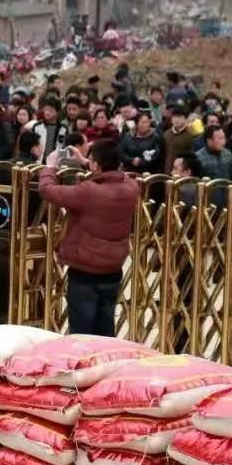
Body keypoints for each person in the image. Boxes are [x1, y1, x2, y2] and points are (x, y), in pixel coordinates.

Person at [38, 139, 139, 336]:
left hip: (85, 271)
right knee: (105, 327)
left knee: (82, 332)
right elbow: (118, 176)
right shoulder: (131, 188)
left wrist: (50, 167)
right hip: (113, 269)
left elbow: (48, 191)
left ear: (96, 165)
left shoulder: (89, 191)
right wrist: (85, 162)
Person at [34, 96, 68, 164]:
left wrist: (61, 163)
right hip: (38, 162)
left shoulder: (63, 129)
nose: (47, 112)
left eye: (51, 110)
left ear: (57, 112)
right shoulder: (37, 126)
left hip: (55, 164)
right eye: (46, 109)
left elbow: (64, 148)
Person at [163, 105, 196, 173]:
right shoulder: (166, 134)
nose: (176, 120)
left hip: (182, 172)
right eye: (174, 117)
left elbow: (192, 157)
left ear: (186, 119)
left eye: (180, 117)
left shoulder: (190, 135)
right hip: (166, 171)